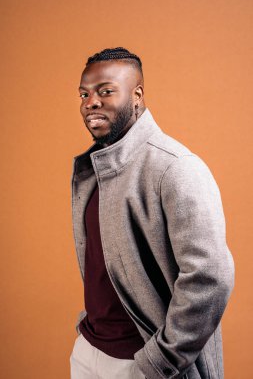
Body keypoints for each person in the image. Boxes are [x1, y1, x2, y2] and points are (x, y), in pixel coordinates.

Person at [70, 47, 234, 379]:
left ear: (137, 95)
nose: (91, 103)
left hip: (144, 364)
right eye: (84, 94)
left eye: (106, 91)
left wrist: (159, 361)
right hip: (89, 352)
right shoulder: (92, 170)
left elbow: (210, 278)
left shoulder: (175, 168)